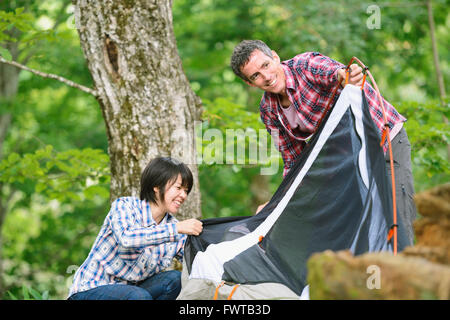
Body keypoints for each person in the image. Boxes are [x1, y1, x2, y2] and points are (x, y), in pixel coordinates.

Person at [230, 40, 416, 244]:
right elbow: (294, 163)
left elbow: (334, 72)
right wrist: (276, 204)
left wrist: (346, 76)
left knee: (397, 217)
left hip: (385, 142)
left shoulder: (305, 65)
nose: (266, 77)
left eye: (265, 65)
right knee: (362, 225)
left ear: (275, 57)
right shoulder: (268, 111)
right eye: (255, 75)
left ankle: (409, 271)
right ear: (249, 83)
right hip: (350, 161)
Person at [67, 157, 203, 300]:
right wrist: (175, 229)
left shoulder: (175, 229)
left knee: (175, 280)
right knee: (137, 295)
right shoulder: (125, 206)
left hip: (134, 293)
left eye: (186, 190)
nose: (183, 195)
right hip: (90, 290)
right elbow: (127, 238)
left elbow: (197, 262)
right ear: (156, 186)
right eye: (178, 188)